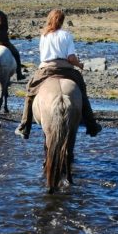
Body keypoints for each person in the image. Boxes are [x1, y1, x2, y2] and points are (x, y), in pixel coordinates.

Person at [16, 9, 102, 138]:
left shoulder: (44, 35)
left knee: (30, 90)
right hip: (66, 70)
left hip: (46, 69)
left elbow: (42, 57)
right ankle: (91, 125)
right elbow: (71, 58)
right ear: (62, 21)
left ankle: (25, 126)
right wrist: (80, 65)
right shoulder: (66, 35)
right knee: (82, 92)